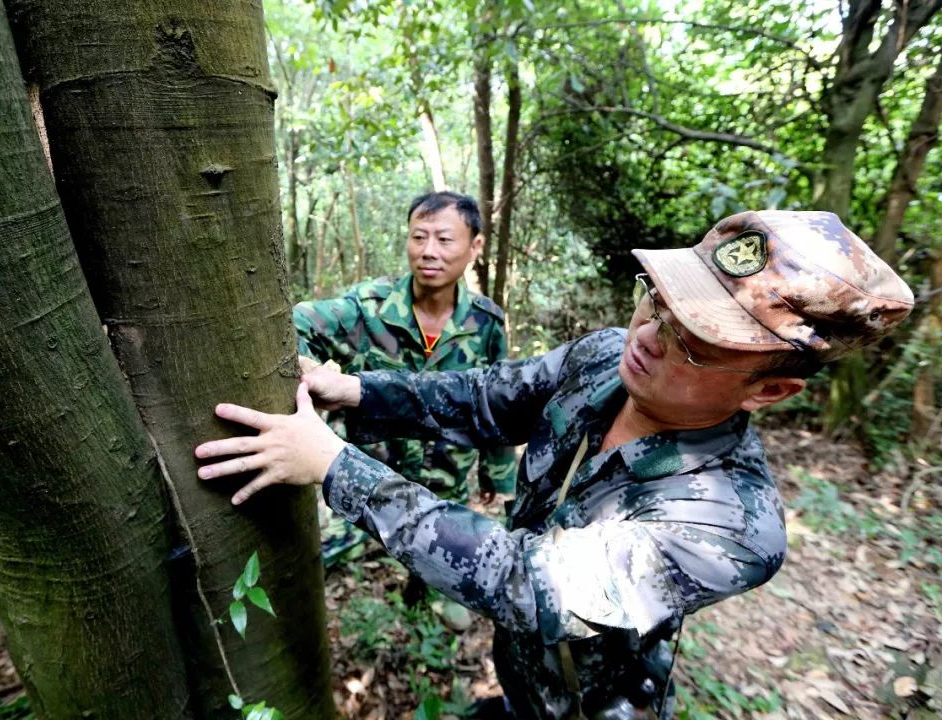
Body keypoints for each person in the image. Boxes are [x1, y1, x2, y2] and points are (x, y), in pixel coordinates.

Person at [195, 210, 913, 719]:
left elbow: (529, 582)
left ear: (770, 389)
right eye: (657, 302)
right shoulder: (607, 356)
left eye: (695, 342)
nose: (651, 335)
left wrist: (334, 467)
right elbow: (489, 398)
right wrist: (355, 390)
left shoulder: (730, 521)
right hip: (519, 681)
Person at [293, 191, 516, 570]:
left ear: (474, 245)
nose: (429, 251)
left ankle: (421, 600)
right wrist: (311, 370)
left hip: (444, 487)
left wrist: (500, 477)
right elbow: (297, 321)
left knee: (438, 570)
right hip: (367, 482)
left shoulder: (486, 324)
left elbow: (498, 403)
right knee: (321, 562)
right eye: (418, 236)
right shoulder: (368, 308)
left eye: (444, 239)